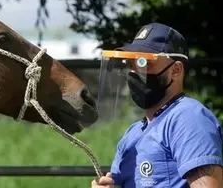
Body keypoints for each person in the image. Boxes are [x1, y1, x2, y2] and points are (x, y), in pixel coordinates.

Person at [92, 23, 223, 187]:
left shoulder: (187, 117)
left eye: (145, 63)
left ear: (175, 70)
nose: (135, 72)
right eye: (132, 63)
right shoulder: (133, 133)